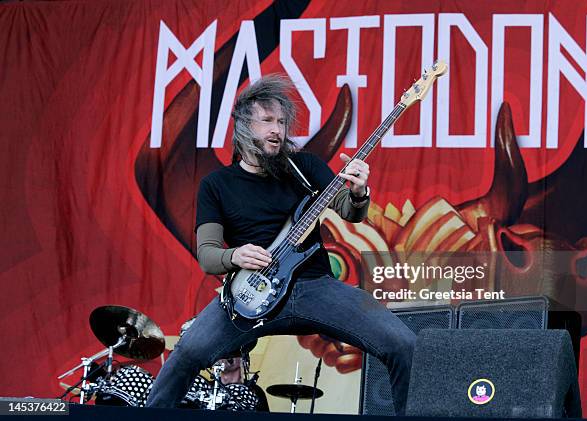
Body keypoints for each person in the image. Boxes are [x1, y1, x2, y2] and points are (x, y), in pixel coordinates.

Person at [146, 75, 416, 414]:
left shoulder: (305, 167)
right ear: (244, 126)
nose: (278, 130)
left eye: (282, 122)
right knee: (186, 354)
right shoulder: (217, 184)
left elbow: (349, 211)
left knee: (403, 343)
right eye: (268, 121)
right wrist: (235, 255)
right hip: (250, 292)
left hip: (314, 287)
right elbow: (208, 254)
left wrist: (360, 192)